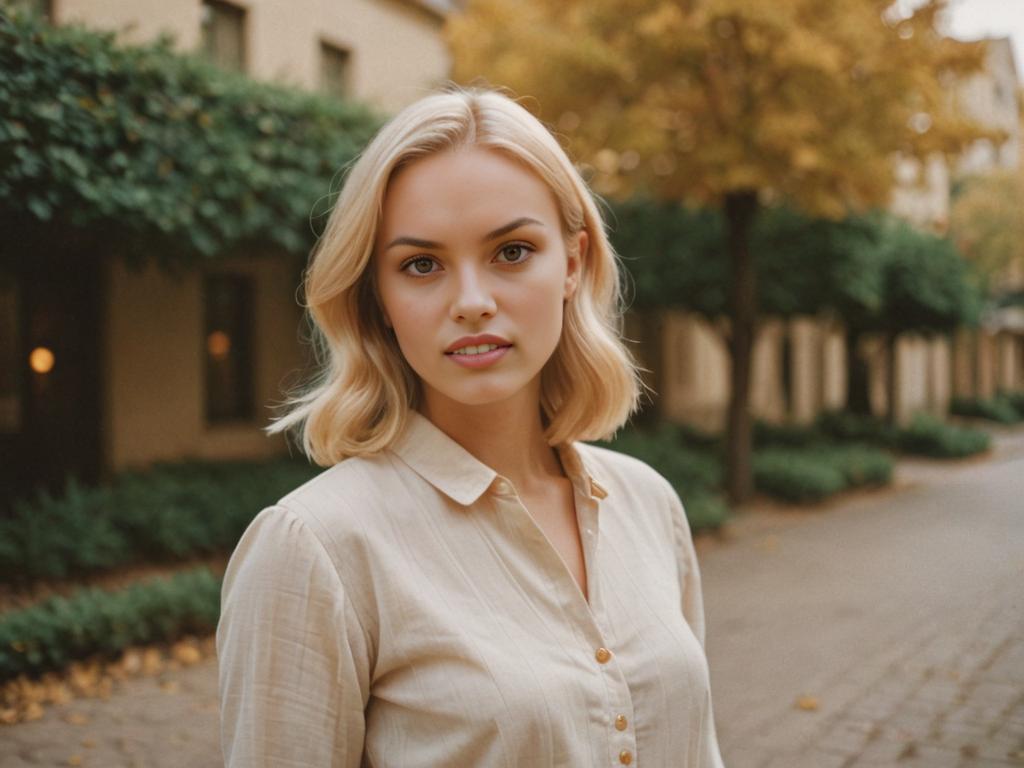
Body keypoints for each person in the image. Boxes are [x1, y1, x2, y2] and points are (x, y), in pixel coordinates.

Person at [216, 85, 725, 767]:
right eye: (421, 265)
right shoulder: (317, 549)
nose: (472, 303)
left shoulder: (649, 505)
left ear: (571, 264)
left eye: (511, 252)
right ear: (381, 299)